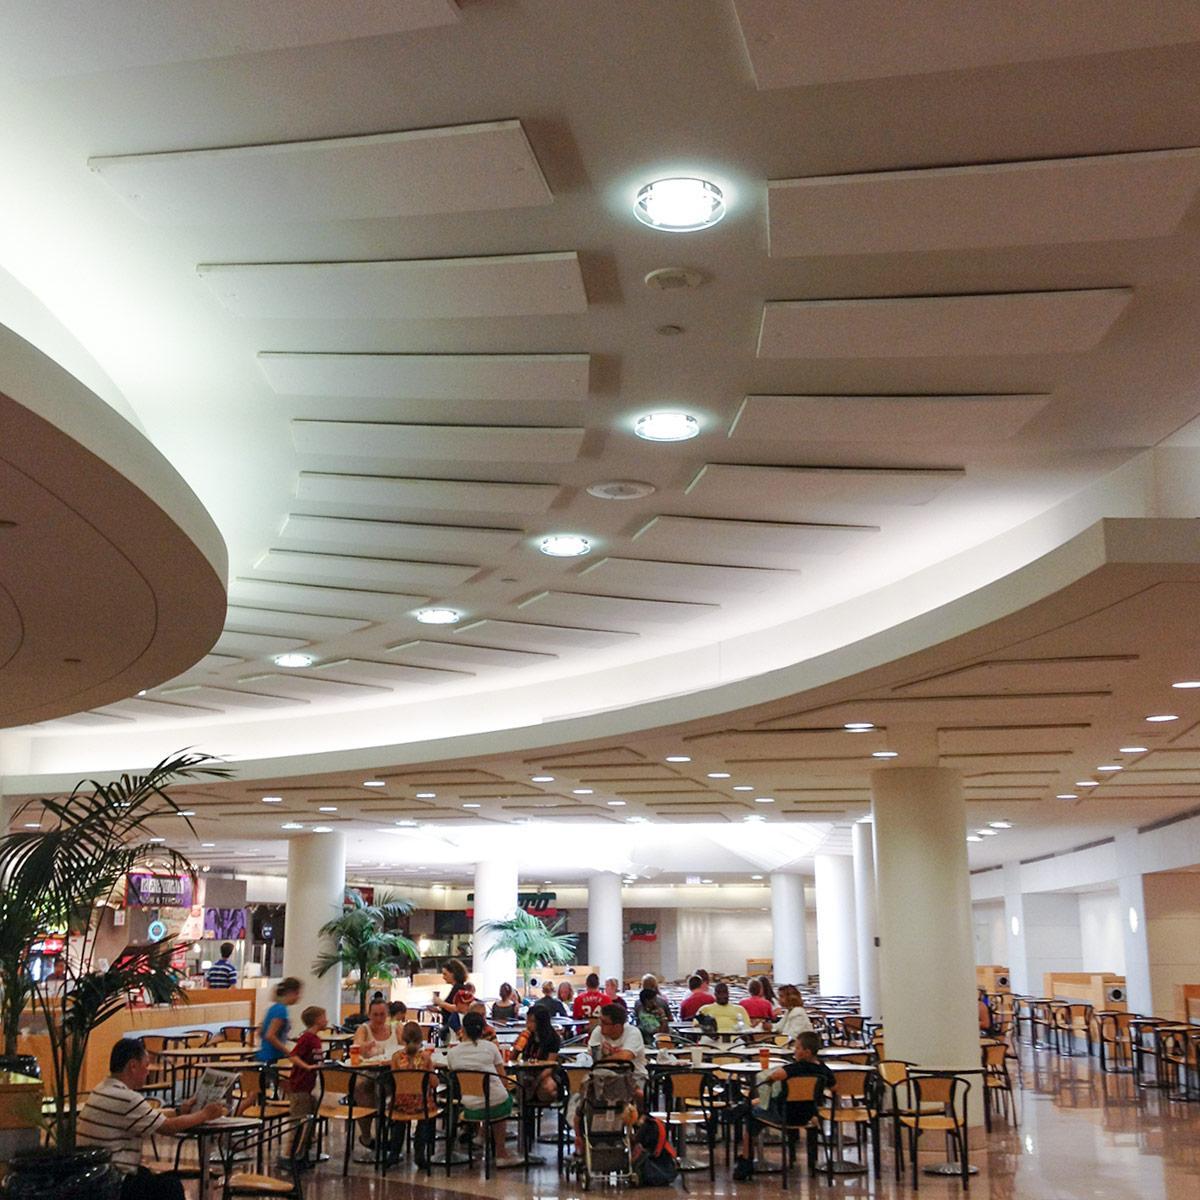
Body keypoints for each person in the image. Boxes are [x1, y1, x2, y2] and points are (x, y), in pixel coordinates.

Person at [77, 1037, 226, 1200]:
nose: (148, 1072)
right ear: (133, 1066)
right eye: (146, 1066)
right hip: (114, 1182)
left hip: (95, 1176)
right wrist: (205, 1114)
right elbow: (167, 1127)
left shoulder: (102, 1089)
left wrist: (179, 1111)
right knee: (170, 1187)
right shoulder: (126, 1098)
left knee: (150, 1176)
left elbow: (151, 1116)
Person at [733, 1030, 833, 1180]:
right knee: (755, 1106)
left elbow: (772, 1077)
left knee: (751, 1115)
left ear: (806, 1052)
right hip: (809, 1115)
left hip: (783, 1114)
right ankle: (811, 1161)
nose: (794, 1050)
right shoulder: (823, 1070)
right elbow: (834, 1087)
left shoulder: (793, 1069)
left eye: (797, 1048)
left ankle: (745, 1161)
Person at [445, 1010, 519, 1166]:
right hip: (495, 1102)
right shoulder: (491, 1047)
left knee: (488, 1099)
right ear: (483, 1030)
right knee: (500, 1099)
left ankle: (481, 1136)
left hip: (470, 1106)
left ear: (462, 1030)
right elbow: (502, 1078)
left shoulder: (452, 1053)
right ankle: (500, 1153)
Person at [352, 997, 403, 1150]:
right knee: (362, 1089)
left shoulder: (396, 1028)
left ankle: (393, 1135)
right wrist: (364, 1046)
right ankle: (367, 1135)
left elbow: (405, 1047)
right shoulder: (363, 1029)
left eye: (382, 1014)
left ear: (387, 1014)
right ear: (369, 1015)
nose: (379, 1018)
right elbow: (356, 1047)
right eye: (375, 1015)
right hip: (369, 1073)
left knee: (398, 1089)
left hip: (393, 1074)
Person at [280, 1005, 324, 1167]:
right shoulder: (306, 1038)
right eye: (323, 1017)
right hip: (300, 1086)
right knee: (298, 1122)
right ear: (317, 1020)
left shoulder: (315, 1038)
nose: (326, 1020)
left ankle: (301, 1155)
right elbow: (293, 1056)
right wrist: (306, 1067)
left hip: (309, 1086)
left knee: (308, 1123)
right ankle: (289, 1156)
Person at [390, 1021, 437, 1166]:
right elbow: (434, 1083)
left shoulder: (396, 1057)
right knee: (426, 1116)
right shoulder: (425, 1058)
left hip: (400, 1103)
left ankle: (394, 1152)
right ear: (421, 1038)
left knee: (399, 1121)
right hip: (421, 1104)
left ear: (402, 1038)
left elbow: (394, 1081)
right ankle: (420, 1152)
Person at [256, 977, 302, 1075]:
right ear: (290, 993)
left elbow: (260, 1032)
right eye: (297, 993)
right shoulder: (282, 1010)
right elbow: (270, 1036)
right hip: (272, 1057)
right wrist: (289, 1053)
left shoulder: (273, 1008)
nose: (299, 997)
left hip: (264, 1054)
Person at [520, 1004, 562, 1100]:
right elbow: (514, 1058)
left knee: (547, 1089)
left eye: (532, 1021)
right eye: (527, 1021)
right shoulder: (527, 1036)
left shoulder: (553, 1038)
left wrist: (536, 1081)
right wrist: (518, 1046)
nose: (528, 1025)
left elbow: (549, 1066)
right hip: (525, 1072)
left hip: (544, 1073)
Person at [430, 958, 469, 1033]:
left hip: (453, 1030)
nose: (443, 977)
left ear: (453, 973)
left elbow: (458, 1009)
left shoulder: (459, 989)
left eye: (445, 974)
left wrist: (441, 1003)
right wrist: (439, 1009)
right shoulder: (456, 988)